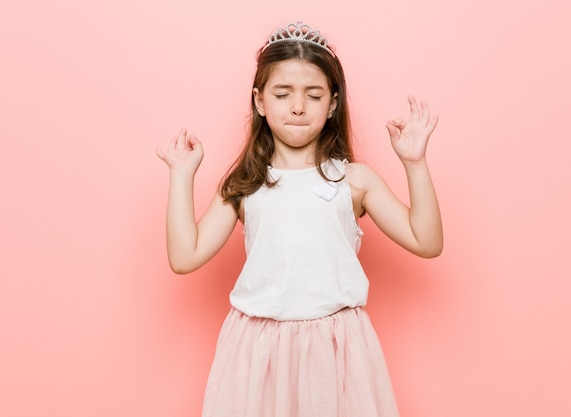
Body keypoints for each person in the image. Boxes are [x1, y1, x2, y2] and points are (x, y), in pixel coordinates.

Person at [157, 21, 443, 417]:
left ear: (332, 104)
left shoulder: (354, 180)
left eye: (313, 95)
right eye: (282, 93)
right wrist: (181, 175)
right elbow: (184, 257)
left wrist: (415, 164)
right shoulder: (246, 184)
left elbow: (426, 241)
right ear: (259, 101)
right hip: (257, 350)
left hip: (336, 346)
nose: (297, 106)